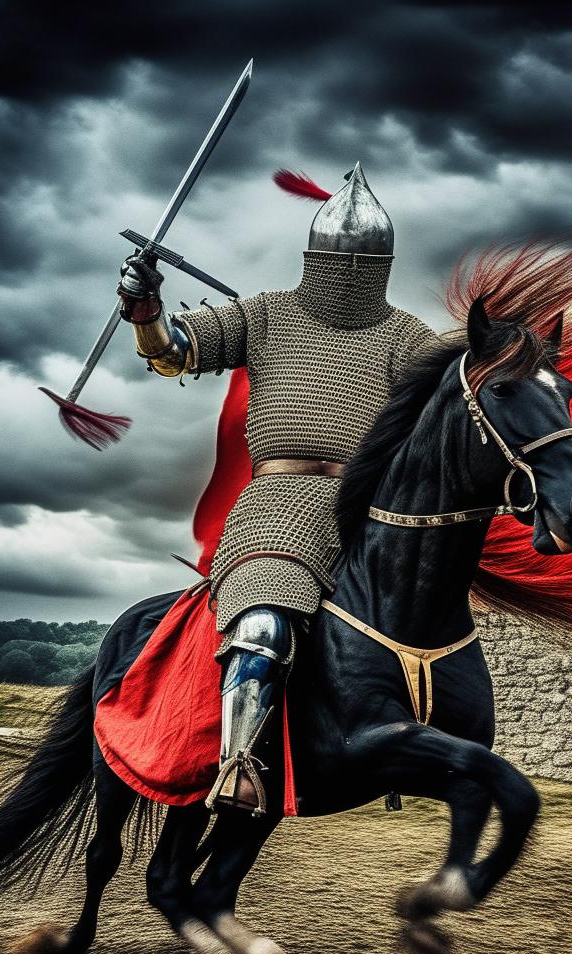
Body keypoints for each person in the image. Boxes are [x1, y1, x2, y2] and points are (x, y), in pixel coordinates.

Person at [117, 163, 439, 814]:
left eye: (362, 264)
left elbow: (452, 414)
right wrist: (146, 308)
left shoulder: (409, 338)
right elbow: (174, 350)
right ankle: (238, 765)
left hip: (368, 514)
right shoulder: (265, 316)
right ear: (317, 260)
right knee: (265, 620)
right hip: (279, 511)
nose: (349, 274)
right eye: (340, 262)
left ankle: (409, 745)